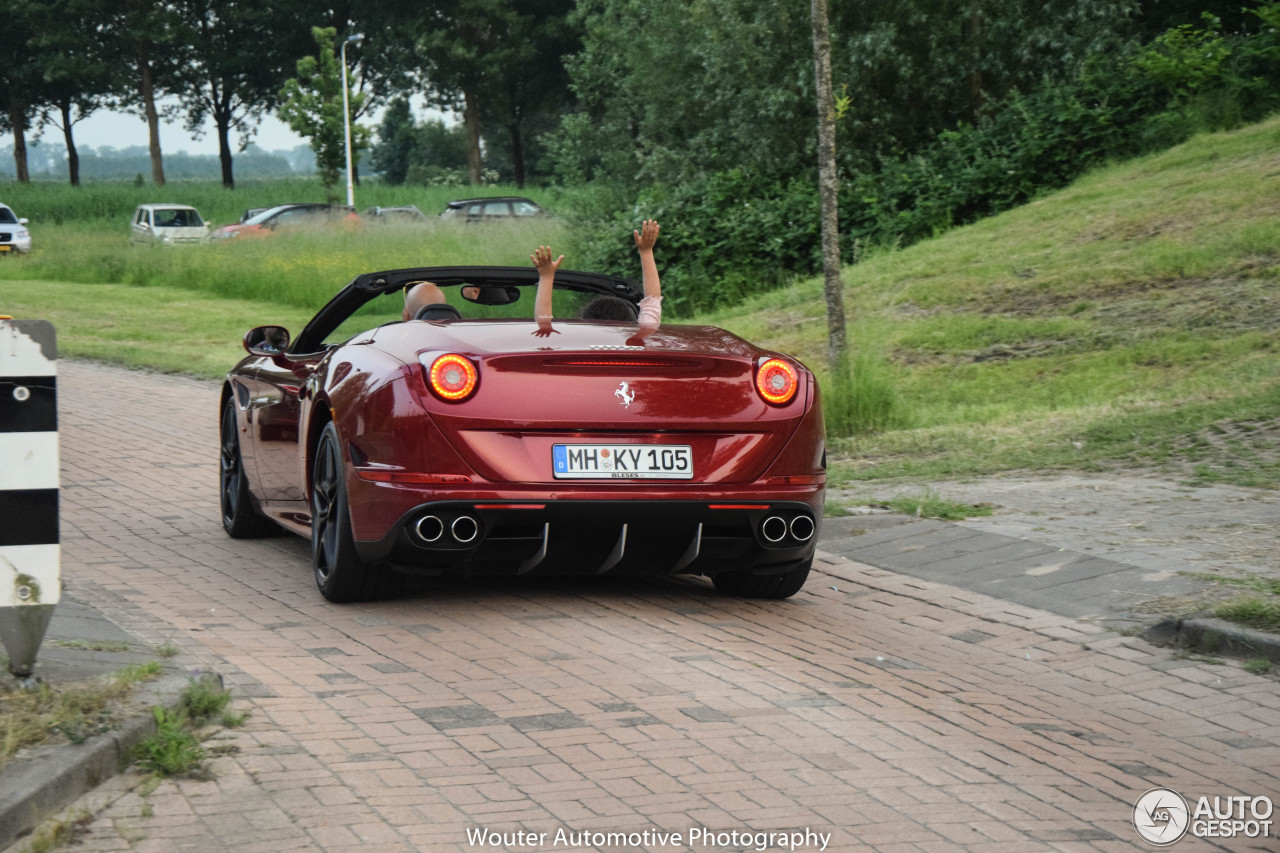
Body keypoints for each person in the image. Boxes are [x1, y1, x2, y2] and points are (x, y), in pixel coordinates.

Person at [530, 219, 663, 333]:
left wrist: (546, 277)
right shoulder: (642, 336)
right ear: (630, 322)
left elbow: (544, 324)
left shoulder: (572, 341)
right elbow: (652, 301)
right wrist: (646, 251)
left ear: (583, 319)